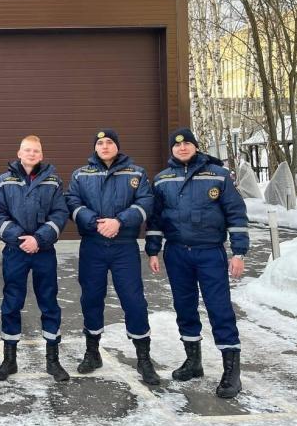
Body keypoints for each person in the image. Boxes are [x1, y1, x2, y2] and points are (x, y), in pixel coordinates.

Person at [145, 128, 249, 398]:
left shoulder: (218, 175)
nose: (182, 148)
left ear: (195, 146)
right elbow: (156, 219)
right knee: (184, 308)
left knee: (219, 308)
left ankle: (231, 372)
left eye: (187, 144)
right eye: (177, 145)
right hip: (177, 253)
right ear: (172, 149)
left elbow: (236, 214)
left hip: (210, 253)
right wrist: (153, 250)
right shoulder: (162, 179)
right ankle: (193, 362)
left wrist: (239, 253)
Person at [65, 129, 159, 385]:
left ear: (117, 146)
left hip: (124, 247)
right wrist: (95, 222)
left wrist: (119, 221)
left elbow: (146, 203)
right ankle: (92, 353)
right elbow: (72, 202)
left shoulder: (136, 173)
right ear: (95, 148)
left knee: (134, 300)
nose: (104, 146)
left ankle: (143, 359)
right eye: (100, 143)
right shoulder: (81, 174)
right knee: (91, 299)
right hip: (93, 246)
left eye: (109, 142)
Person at [0, 135, 70, 382]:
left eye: (36, 151)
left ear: (41, 155)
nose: (31, 154)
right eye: (27, 150)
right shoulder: (3, 181)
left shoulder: (53, 181)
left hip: (43, 251)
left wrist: (39, 239)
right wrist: (21, 239)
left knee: (49, 302)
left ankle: (53, 361)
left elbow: (60, 213)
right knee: (12, 303)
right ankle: (9, 360)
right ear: (19, 153)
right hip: (15, 251)